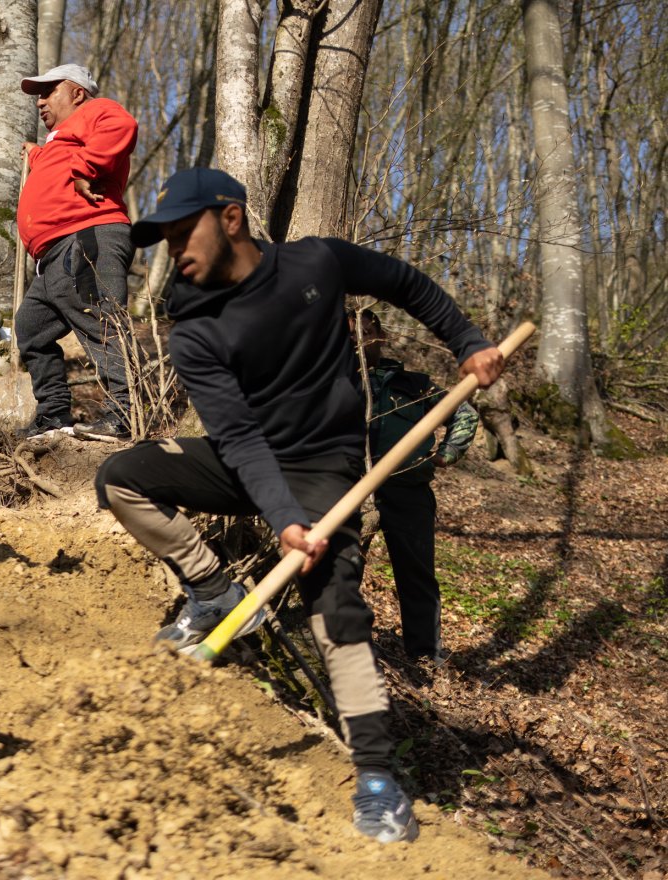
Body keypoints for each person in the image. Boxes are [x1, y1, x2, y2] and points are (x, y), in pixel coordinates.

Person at [94, 167, 505, 844]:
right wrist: (283, 517)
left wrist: (467, 342)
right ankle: (214, 592)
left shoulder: (319, 262)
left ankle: (377, 779)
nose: (173, 251)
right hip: (247, 463)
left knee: (336, 602)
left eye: (181, 231)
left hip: (326, 470)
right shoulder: (193, 325)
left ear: (231, 219)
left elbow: (407, 285)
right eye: (162, 239)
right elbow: (239, 437)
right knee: (120, 477)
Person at [15, 63, 139, 439]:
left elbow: (124, 128)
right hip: (53, 254)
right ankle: (53, 414)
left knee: (101, 322)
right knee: (31, 327)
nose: (40, 102)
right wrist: (36, 154)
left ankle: (123, 416)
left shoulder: (98, 112)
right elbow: (58, 165)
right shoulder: (61, 139)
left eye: (49, 91)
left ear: (77, 93)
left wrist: (87, 168)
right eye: (38, 94)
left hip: (87, 237)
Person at [350, 308, 479, 665]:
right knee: (344, 569)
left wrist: (448, 452)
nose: (359, 339)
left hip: (408, 492)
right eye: (351, 333)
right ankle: (347, 644)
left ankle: (425, 654)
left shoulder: (415, 385)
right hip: (351, 493)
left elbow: (464, 412)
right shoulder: (337, 381)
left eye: (366, 331)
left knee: (417, 575)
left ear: (380, 336)